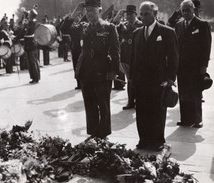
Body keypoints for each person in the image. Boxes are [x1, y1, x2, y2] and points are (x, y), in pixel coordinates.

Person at [62, 0, 120, 139]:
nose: (90, 14)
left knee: (103, 105)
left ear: (100, 11)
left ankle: (103, 134)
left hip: (103, 73)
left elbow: (115, 51)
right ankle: (93, 133)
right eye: (87, 11)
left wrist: (113, 71)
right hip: (86, 72)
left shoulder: (109, 28)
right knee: (90, 104)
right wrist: (74, 14)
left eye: (93, 11)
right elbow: (64, 29)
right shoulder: (82, 27)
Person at [130, 1, 179, 151]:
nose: (143, 17)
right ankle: (143, 139)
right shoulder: (137, 33)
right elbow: (133, 58)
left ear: (155, 14)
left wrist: (170, 79)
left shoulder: (167, 32)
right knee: (142, 111)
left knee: (157, 112)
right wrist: (132, 79)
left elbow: (174, 57)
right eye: (141, 14)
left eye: (147, 14)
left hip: (159, 81)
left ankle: (157, 140)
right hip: (141, 81)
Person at [175, 0, 212, 128]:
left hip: (196, 67)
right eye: (183, 10)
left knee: (195, 93)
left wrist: (203, 67)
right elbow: (176, 46)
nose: (185, 13)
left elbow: (206, 47)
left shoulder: (202, 24)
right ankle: (185, 119)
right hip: (181, 66)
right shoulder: (179, 24)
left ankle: (197, 119)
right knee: (183, 93)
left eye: (188, 10)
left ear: (193, 10)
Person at [116, 5, 143, 110]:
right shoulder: (122, 25)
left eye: (131, 14)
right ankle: (131, 101)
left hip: (137, 57)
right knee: (130, 79)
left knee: (137, 80)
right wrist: (118, 16)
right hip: (126, 57)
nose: (128, 16)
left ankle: (138, 101)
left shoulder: (140, 24)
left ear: (135, 15)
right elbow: (112, 26)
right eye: (127, 14)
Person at [22, 9, 41, 84]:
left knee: (31, 62)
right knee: (34, 61)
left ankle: (35, 78)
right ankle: (36, 77)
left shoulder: (30, 23)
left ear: (31, 15)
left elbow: (24, 32)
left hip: (29, 44)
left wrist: (16, 38)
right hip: (32, 43)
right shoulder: (33, 22)